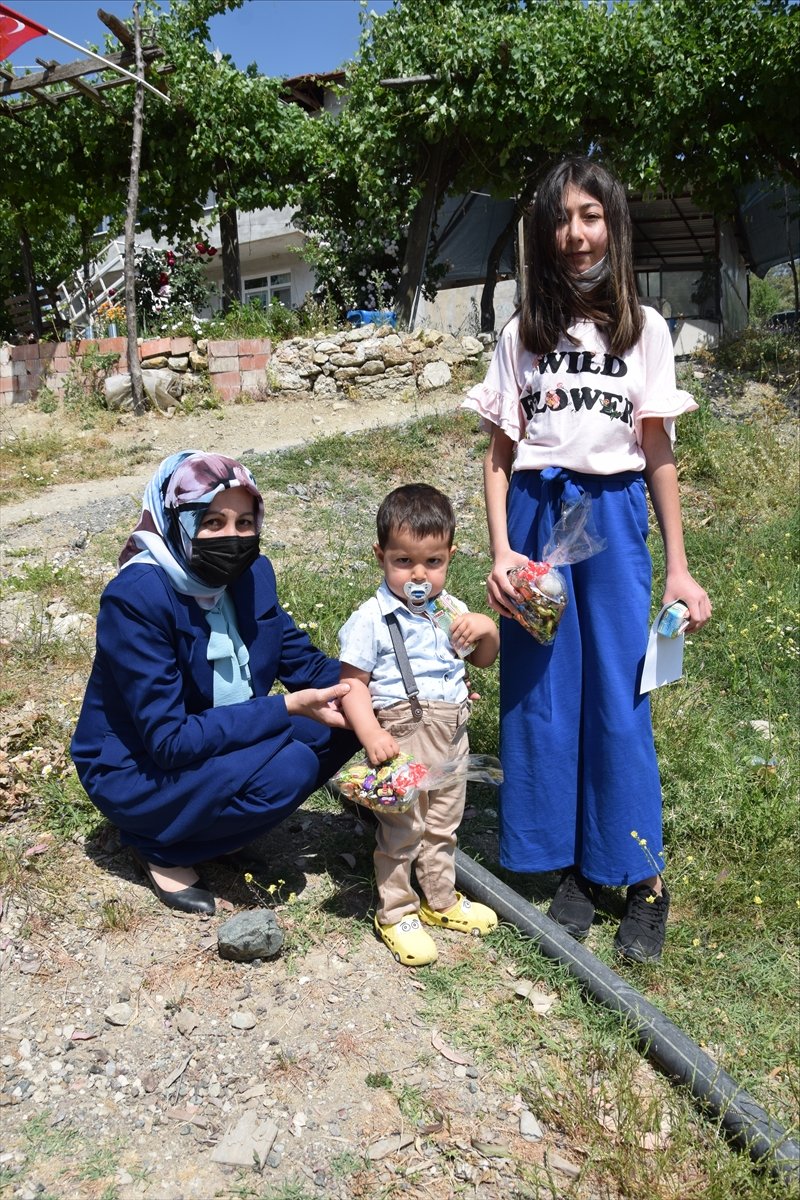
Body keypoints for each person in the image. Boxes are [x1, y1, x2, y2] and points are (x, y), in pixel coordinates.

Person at [462, 157, 712, 963]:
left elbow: (657, 451)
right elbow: (500, 457)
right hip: (536, 523)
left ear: (614, 225)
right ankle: (568, 865)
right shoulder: (519, 337)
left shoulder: (643, 328)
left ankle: (638, 875)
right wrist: (502, 551)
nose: (576, 234)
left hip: (610, 519)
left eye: (591, 216)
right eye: (562, 219)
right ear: (543, 231)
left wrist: (678, 565)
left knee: (617, 694)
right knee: (540, 696)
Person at [71, 451, 359, 916]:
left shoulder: (252, 576)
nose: (233, 538)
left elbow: (304, 664)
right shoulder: (137, 599)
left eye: (245, 523)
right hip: (141, 767)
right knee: (290, 769)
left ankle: (211, 825)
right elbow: (168, 741)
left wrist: (394, 690)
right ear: (175, 521)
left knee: (350, 719)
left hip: (214, 740)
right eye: (212, 522)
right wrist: (286, 709)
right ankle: (159, 845)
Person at [337, 484, 500, 966]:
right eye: (403, 561)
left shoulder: (451, 609)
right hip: (403, 735)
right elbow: (352, 685)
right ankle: (396, 911)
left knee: (444, 823)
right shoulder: (372, 618)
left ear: (449, 556)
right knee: (404, 826)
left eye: (432, 562)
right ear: (380, 556)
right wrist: (370, 733)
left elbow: (485, 659)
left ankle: (439, 898)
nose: (419, 574)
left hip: (451, 732)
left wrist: (488, 628)